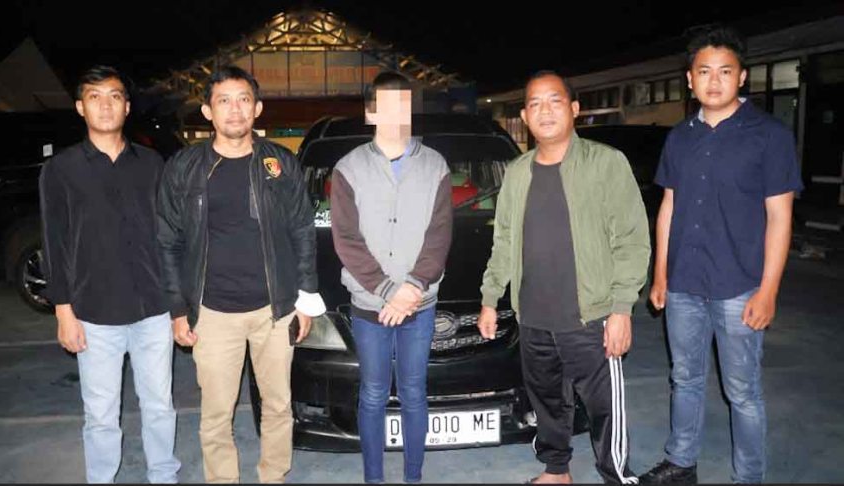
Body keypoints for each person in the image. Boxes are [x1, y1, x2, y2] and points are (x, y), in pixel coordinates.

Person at [639, 26, 803, 485]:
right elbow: (668, 207)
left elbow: (780, 218)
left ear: (742, 77)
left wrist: (768, 291)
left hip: (739, 286)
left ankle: (749, 477)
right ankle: (681, 462)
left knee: (743, 392)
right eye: (705, 71)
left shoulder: (769, 136)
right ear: (689, 79)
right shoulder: (679, 138)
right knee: (684, 378)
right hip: (684, 284)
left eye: (725, 71)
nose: (714, 81)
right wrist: (660, 274)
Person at [477, 70, 650, 484]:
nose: (545, 111)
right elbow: (504, 240)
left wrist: (621, 309)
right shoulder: (517, 172)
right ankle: (557, 471)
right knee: (548, 402)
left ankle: (617, 476)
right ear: (524, 116)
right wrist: (490, 298)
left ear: (574, 109)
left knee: (605, 407)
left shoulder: (606, 163)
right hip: (534, 315)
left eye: (554, 100)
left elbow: (631, 239)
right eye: (535, 103)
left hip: (590, 316)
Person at [156, 65, 325, 483]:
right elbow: (167, 241)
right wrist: (177, 308)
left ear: (257, 108)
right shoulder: (184, 167)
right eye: (224, 101)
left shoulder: (280, 163)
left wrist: (306, 299)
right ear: (208, 111)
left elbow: (303, 230)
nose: (235, 110)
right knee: (216, 414)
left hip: (275, 310)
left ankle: (273, 475)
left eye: (243, 100)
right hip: (212, 313)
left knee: (279, 405)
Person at [40, 65, 180, 483]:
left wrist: (178, 305)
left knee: (159, 406)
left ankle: (164, 475)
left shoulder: (151, 164)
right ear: (80, 107)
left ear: (127, 107)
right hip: (94, 313)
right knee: (101, 415)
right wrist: (63, 311)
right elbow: (54, 243)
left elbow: (170, 236)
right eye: (95, 97)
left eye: (115, 96)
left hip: (153, 309)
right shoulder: (61, 169)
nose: (105, 105)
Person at [330, 71, 453, 483]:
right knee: (373, 394)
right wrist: (387, 290)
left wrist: (412, 287)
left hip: (420, 304)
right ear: (371, 113)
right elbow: (346, 239)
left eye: (404, 104)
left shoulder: (435, 165)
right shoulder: (348, 169)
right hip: (370, 306)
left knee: (415, 393)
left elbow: (439, 235)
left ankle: (413, 477)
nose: (397, 113)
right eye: (387, 105)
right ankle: (374, 479)